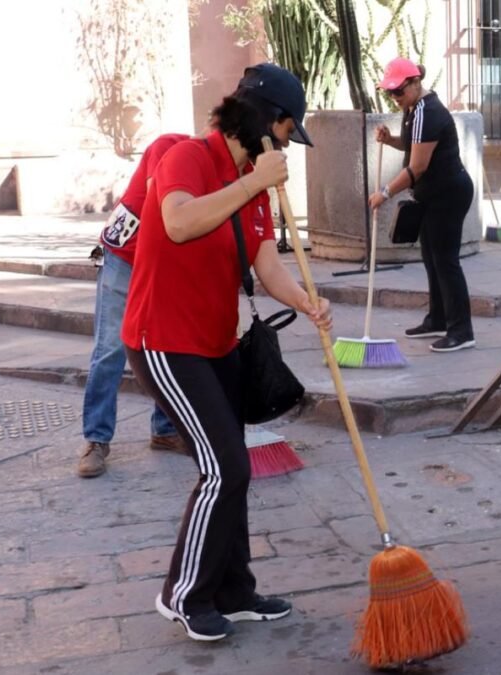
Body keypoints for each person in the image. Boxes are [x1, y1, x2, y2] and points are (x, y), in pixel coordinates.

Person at [121, 63, 331, 642]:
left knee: (229, 469)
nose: (290, 142)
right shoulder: (187, 157)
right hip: (164, 341)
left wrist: (308, 301)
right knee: (226, 467)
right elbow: (180, 221)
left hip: (216, 345)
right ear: (268, 122)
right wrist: (253, 183)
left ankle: (234, 590)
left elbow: (265, 263)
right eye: (289, 129)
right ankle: (183, 593)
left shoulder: (254, 184)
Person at [77, 133, 192, 478]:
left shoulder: (224, 174)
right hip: (124, 258)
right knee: (110, 349)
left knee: (167, 348)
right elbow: (165, 208)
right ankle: (96, 439)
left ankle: (165, 429)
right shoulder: (168, 147)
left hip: (166, 263)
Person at [368, 57, 476, 353]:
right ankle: (438, 318)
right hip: (433, 195)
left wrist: (385, 192)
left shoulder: (429, 112)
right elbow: (414, 143)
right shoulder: (414, 109)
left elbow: (417, 167)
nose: (395, 98)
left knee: (446, 261)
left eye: (399, 92)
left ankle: (461, 330)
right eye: (390, 93)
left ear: (415, 83)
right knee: (432, 257)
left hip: (448, 195)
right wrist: (391, 140)